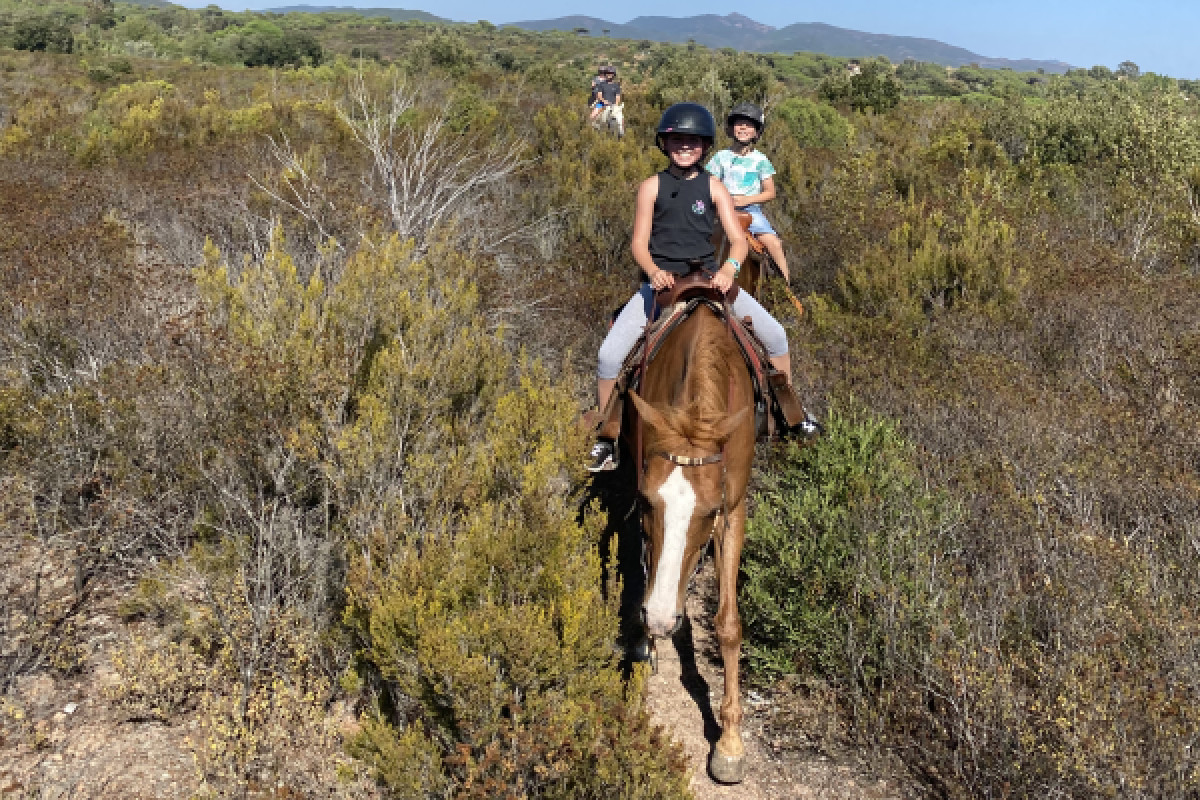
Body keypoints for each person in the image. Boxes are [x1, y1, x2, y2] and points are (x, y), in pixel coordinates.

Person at [588, 103, 793, 472]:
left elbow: (738, 239)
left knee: (776, 336)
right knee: (609, 356)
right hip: (663, 283)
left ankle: (789, 418)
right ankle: (608, 436)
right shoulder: (651, 186)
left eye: (694, 141)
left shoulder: (714, 187)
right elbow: (638, 242)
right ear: (665, 144)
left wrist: (730, 269)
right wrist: (652, 270)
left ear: (705, 145)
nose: (685, 146)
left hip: (710, 279)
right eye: (678, 140)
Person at [705, 102, 790, 282]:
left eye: (749, 124)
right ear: (731, 128)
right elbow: (709, 184)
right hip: (721, 210)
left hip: (750, 212)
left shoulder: (761, 160)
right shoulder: (720, 157)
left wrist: (746, 200)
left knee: (773, 243)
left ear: (756, 132)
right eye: (739, 123)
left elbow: (770, 192)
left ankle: (785, 290)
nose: (743, 127)